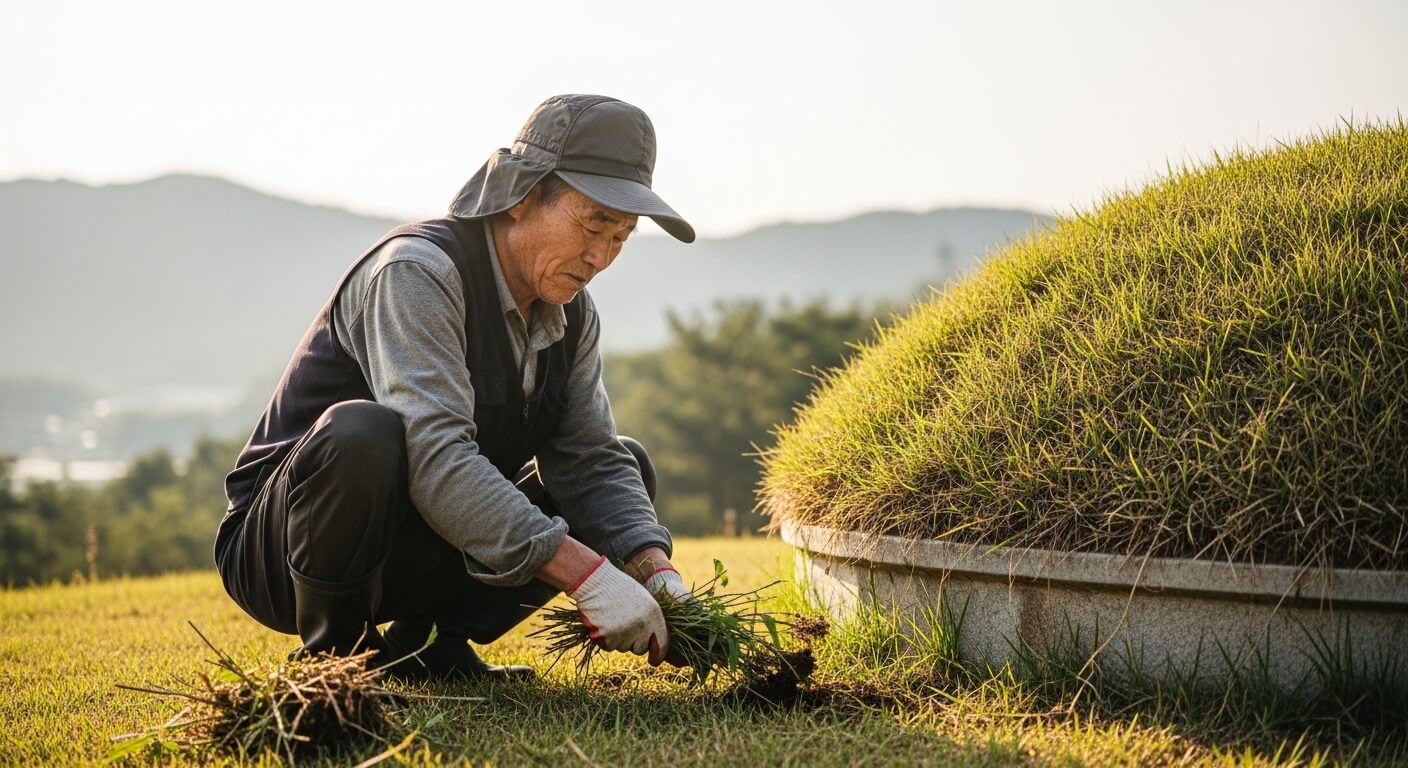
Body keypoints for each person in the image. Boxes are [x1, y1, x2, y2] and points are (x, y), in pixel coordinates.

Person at [214, 94, 697, 679]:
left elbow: (589, 459)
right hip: (286, 549)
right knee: (361, 433)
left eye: (621, 236)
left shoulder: (571, 312)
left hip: (416, 548)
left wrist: (652, 567)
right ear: (520, 196)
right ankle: (338, 664)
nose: (600, 256)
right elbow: (435, 456)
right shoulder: (417, 273)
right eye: (594, 223)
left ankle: (432, 648)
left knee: (626, 467)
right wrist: (586, 575)